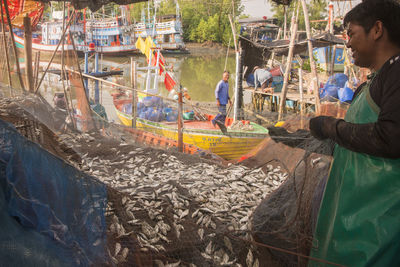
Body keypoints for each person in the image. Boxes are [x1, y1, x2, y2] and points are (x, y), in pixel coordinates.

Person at [308, 1, 400, 266]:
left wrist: (330, 127)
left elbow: (390, 137)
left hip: (381, 226)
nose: (347, 43)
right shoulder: (377, 79)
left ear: (377, 29)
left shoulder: (397, 73)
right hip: (356, 216)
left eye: (351, 33)